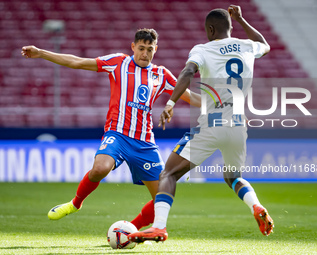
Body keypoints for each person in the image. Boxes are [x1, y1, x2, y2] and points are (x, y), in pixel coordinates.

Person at [21, 28, 201, 230]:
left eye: (150, 49)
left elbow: (191, 97)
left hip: (144, 143)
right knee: (100, 168)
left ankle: (128, 232)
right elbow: (77, 62)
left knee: (163, 198)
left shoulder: (161, 74)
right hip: (117, 135)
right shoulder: (118, 63)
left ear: (155, 49)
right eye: (141, 48)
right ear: (133, 47)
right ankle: (75, 204)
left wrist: (221, 105)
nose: (145, 54)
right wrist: (41, 52)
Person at [128, 6, 274, 242]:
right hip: (238, 123)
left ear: (210, 29)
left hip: (213, 122)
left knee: (169, 173)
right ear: (231, 27)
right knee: (233, 176)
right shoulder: (247, 46)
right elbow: (264, 43)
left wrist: (171, 102)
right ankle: (255, 206)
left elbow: (187, 72)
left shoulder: (203, 49)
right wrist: (241, 19)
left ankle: (159, 227)